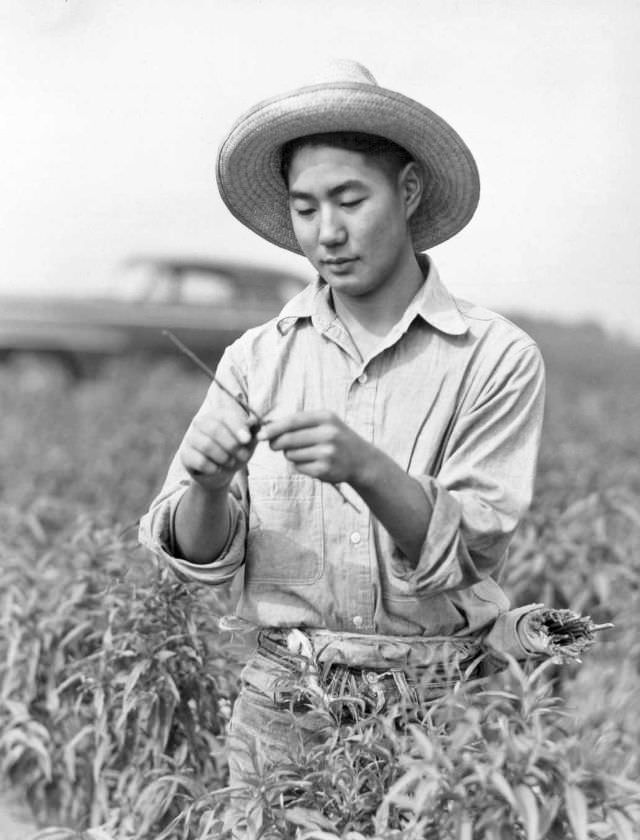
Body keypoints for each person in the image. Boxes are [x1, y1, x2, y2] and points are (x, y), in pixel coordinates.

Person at [139, 60, 546, 833]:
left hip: (436, 709)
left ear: (411, 192)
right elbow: (200, 559)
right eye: (305, 208)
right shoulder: (257, 358)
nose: (327, 232)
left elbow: (475, 550)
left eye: (350, 200)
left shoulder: (494, 357)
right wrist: (206, 486)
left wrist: (366, 468)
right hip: (281, 710)